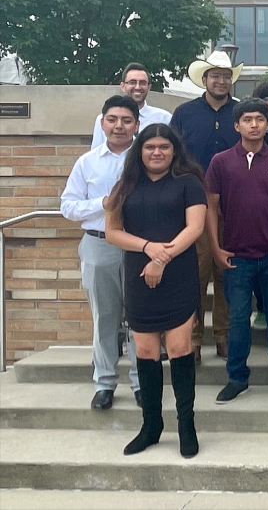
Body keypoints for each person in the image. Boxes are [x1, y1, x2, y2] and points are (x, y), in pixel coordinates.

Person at [104, 123, 206, 458]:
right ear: (140, 150)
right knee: (146, 352)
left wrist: (162, 259)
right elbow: (113, 232)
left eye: (164, 147)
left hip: (178, 274)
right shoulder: (125, 185)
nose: (157, 152)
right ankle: (151, 426)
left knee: (179, 348)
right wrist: (149, 249)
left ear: (175, 150)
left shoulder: (189, 182)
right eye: (150, 147)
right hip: (139, 274)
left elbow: (195, 227)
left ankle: (186, 426)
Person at [205, 98, 268, 404]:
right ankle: (236, 378)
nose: (254, 125)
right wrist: (216, 247)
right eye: (247, 120)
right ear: (237, 125)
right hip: (236, 256)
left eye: (260, 119)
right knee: (237, 318)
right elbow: (211, 207)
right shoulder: (221, 161)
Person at [61, 95, 142, 410]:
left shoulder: (148, 156)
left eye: (126, 120)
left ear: (136, 124)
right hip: (99, 244)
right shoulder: (87, 162)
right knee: (105, 317)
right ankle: (105, 383)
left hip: (140, 245)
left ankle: (141, 382)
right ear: (103, 122)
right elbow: (68, 206)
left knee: (140, 317)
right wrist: (102, 204)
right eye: (112, 119)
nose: (119, 126)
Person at [170, 51, 243, 361]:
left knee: (226, 271)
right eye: (215, 76)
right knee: (196, 273)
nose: (221, 81)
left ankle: (224, 336)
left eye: (226, 76)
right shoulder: (184, 113)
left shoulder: (241, 113)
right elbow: (172, 155)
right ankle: (195, 338)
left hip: (234, 204)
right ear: (204, 79)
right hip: (194, 204)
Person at [90, 63, 171, 150]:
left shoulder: (165, 118)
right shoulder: (105, 119)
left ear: (149, 87)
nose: (137, 87)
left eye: (142, 83)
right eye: (132, 82)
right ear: (123, 86)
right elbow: (97, 152)